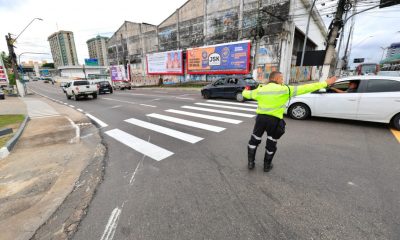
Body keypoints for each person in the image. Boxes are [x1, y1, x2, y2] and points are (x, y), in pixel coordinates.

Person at [242, 71, 337, 172]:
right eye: (281, 79)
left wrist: (245, 90)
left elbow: (247, 94)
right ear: (277, 79)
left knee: (254, 140)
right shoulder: (285, 89)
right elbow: (306, 88)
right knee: (271, 142)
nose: (282, 81)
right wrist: (325, 83)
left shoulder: (260, 89)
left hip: (260, 119)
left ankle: (251, 163)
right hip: (274, 120)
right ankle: (266, 166)